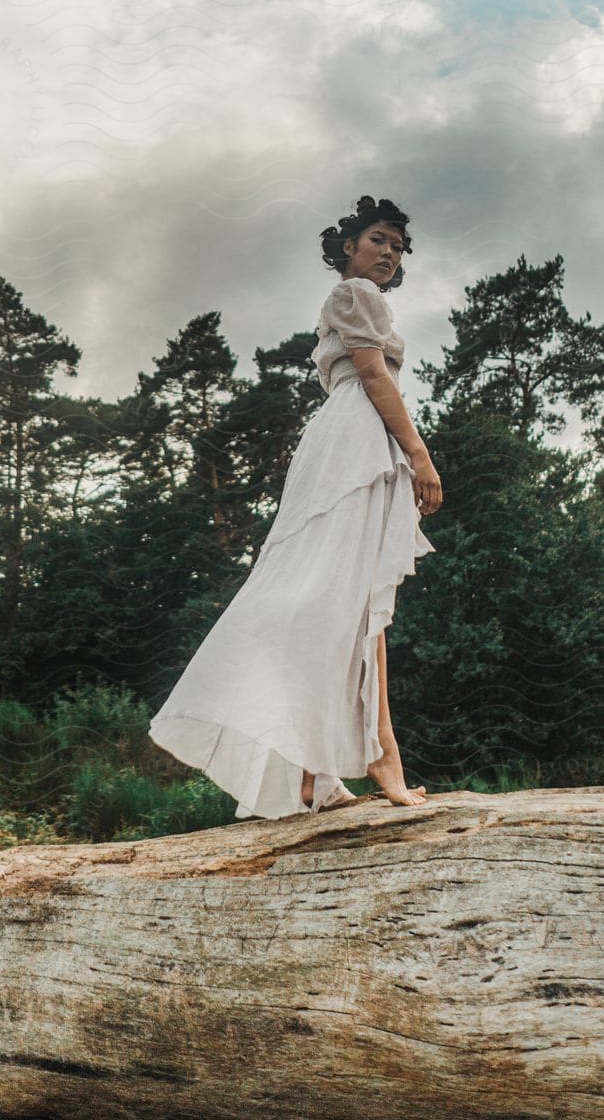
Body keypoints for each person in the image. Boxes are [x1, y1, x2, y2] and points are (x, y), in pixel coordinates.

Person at [148, 193, 443, 818]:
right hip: (357, 441)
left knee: (348, 603)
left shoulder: (360, 300)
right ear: (348, 248)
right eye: (377, 241)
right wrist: (420, 456)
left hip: (356, 439)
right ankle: (379, 758)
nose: (389, 252)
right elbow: (373, 375)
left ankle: (317, 775)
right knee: (349, 602)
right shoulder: (354, 295)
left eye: (396, 244)